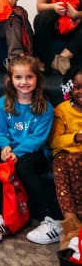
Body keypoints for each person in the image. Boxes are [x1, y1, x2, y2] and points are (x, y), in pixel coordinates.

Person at [0, 56, 60, 244]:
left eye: (29, 77)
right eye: (18, 77)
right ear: (10, 80)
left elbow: (37, 139)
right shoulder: (2, 103)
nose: (24, 82)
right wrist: (6, 146)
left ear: (37, 79)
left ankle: (52, 220)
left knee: (23, 167)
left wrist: (18, 152)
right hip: (8, 148)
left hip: (33, 152)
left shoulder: (45, 108)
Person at [49, 66, 82, 249]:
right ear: (71, 88)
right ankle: (71, 220)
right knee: (65, 160)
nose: (81, 91)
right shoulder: (62, 110)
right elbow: (53, 142)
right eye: (77, 87)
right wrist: (76, 137)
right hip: (66, 159)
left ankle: (76, 216)